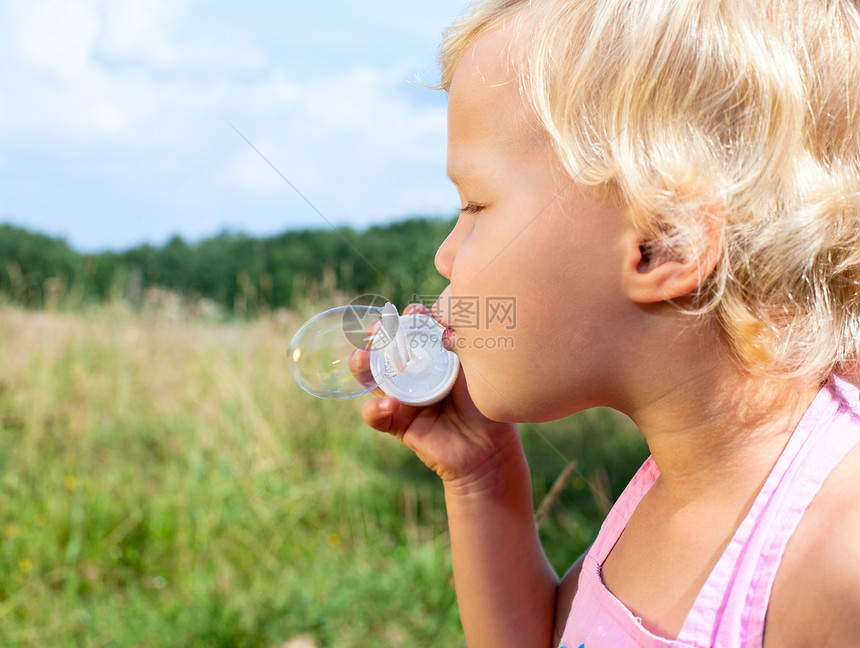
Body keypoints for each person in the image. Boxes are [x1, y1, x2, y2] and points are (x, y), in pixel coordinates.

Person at [360, 0, 860, 646]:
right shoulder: (677, 476)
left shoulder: (834, 559)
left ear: (663, 244)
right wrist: (481, 478)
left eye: (476, 205)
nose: (444, 255)